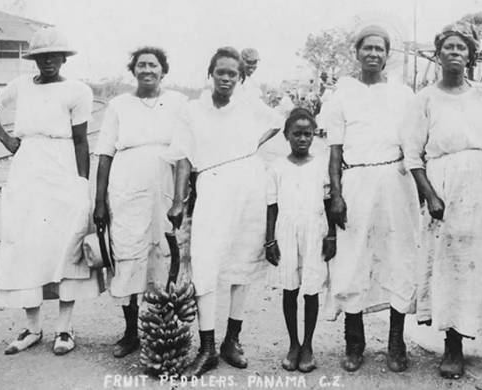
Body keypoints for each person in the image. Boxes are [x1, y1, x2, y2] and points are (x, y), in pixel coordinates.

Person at [404, 23, 482, 381]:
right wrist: (431, 196)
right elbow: (413, 156)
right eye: (449, 48)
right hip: (448, 189)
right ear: (438, 54)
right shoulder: (425, 99)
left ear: (470, 56)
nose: (455, 53)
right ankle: (454, 347)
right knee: (454, 269)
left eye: (462, 48)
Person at [0, 27, 99, 356]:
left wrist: (81, 184)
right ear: (34, 59)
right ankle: (32, 327)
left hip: (62, 167)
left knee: (66, 244)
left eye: (54, 55)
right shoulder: (20, 86)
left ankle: (65, 328)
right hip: (27, 168)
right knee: (25, 242)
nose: (48, 61)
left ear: (64, 58)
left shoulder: (78, 91)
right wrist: (6, 140)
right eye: (41, 56)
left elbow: (80, 140)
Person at [166, 47, 281, 377]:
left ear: (241, 77)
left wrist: (248, 149)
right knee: (205, 261)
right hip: (213, 188)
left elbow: (277, 122)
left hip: (249, 186)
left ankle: (232, 340)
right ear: (211, 73)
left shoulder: (248, 104)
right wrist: (178, 200)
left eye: (234, 73)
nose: (227, 77)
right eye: (222, 72)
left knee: (241, 261)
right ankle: (207, 348)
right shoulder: (192, 111)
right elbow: (183, 157)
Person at [324, 25, 421, 373]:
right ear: (357, 52)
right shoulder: (341, 96)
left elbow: (414, 145)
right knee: (353, 258)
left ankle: (396, 342)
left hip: (396, 181)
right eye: (367, 48)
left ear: (387, 54)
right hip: (356, 181)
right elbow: (334, 151)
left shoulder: (404, 95)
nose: (373, 54)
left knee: (398, 256)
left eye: (380, 49)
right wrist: (336, 194)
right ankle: (355, 341)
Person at [93, 47, 189, 358]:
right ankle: (131, 331)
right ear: (133, 70)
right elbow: (105, 152)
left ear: (164, 70)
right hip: (126, 186)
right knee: (129, 252)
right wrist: (99, 201)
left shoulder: (178, 103)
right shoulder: (119, 105)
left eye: (154, 65)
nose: (147, 70)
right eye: (141, 65)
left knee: (163, 254)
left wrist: (179, 198)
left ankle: (161, 330)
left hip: (163, 183)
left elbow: (185, 152)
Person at [264, 108, 336, 373]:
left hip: (314, 229)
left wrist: (331, 235)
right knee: (290, 288)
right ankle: (293, 343)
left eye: (308, 134)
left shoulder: (321, 165)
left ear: (314, 136)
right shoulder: (276, 167)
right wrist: (270, 240)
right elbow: (271, 205)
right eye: (297, 134)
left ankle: (308, 345)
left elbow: (329, 202)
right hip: (286, 230)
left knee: (311, 288)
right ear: (286, 136)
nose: (303, 139)